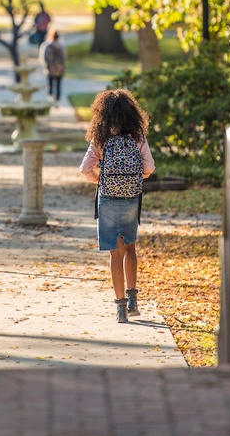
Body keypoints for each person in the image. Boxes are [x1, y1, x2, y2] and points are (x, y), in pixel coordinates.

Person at [79, 89, 155, 323]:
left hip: (108, 197)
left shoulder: (100, 139)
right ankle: (133, 301)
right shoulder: (137, 137)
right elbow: (149, 167)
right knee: (130, 247)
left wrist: (100, 179)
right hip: (131, 197)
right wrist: (134, 179)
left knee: (115, 252)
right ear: (131, 112)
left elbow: (84, 169)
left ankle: (120, 309)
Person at [39, 30, 66, 104]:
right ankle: (57, 101)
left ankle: (50, 98)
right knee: (58, 85)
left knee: (50, 85)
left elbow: (43, 58)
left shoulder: (46, 45)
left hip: (49, 69)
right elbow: (64, 58)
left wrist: (45, 67)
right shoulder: (61, 46)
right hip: (59, 69)